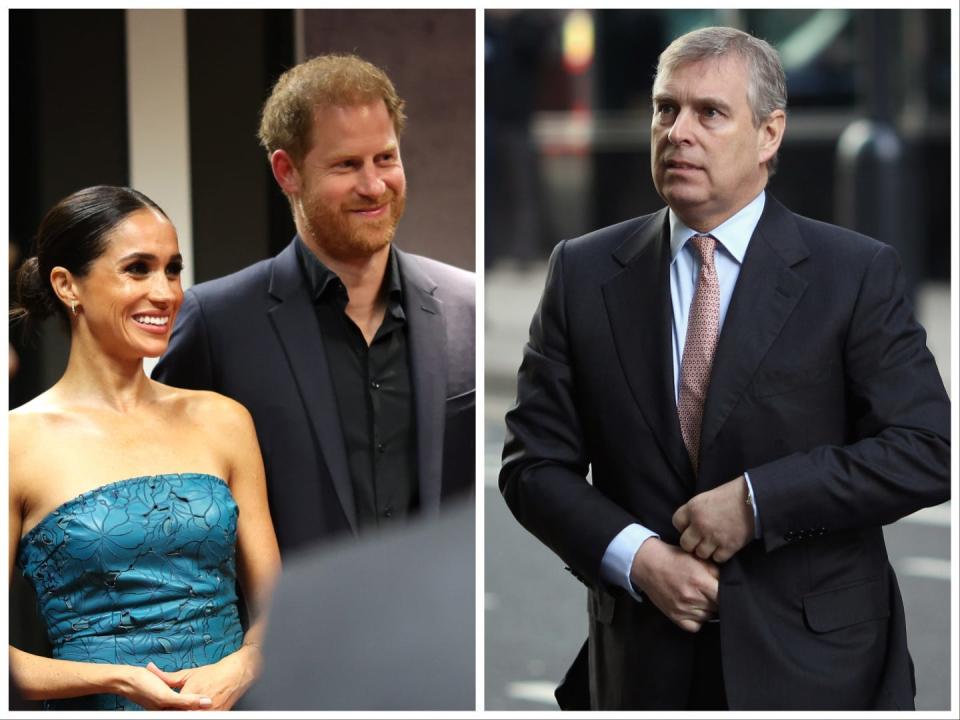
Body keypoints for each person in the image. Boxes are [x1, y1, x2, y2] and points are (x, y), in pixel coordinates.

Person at [500, 27, 950, 710]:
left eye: (710, 112)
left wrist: (756, 502)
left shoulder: (853, 274)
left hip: (818, 671)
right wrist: (639, 559)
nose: (678, 131)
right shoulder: (582, 272)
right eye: (664, 108)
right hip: (643, 670)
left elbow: (925, 452)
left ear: (769, 134)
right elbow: (533, 466)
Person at [153, 54, 475, 554]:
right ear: (287, 171)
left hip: (440, 627)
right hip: (288, 629)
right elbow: (168, 512)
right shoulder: (216, 324)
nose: (374, 185)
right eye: (347, 164)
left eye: (385, 158)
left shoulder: (465, 305)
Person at [8, 186, 282, 710]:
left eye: (173, 270)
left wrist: (245, 662)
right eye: (138, 269)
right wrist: (122, 679)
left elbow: (279, 609)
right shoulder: (16, 443)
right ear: (68, 286)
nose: (166, 292)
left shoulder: (223, 420)